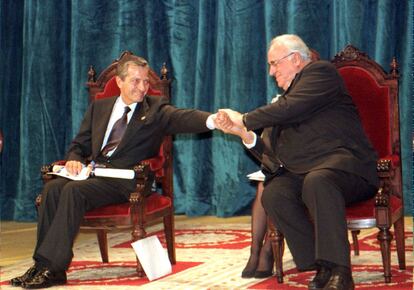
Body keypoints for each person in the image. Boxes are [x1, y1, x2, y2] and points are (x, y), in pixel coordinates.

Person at [11, 55, 216, 289]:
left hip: (127, 181)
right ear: (119, 81)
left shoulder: (155, 109)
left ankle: (52, 267)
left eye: (145, 82)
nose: (142, 87)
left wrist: (212, 120)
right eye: (135, 81)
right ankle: (42, 265)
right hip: (95, 175)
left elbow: (183, 118)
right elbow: (80, 145)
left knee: (73, 192)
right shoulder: (99, 108)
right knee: (53, 189)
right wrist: (74, 160)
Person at [214, 34, 378, 290]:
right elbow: (272, 156)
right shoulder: (284, 103)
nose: (271, 72)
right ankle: (320, 263)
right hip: (308, 174)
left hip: (348, 169)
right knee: (275, 193)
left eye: (274, 63)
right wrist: (244, 134)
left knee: (318, 181)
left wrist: (244, 118)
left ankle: (341, 271)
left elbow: (290, 108)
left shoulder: (320, 73)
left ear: (295, 59)